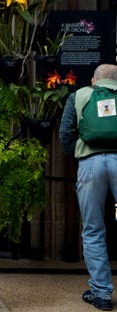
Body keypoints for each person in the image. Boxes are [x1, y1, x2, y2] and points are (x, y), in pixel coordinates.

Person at [60, 64, 117, 311]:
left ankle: (102, 294)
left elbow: (65, 133)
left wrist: (79, 156)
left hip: (90, 163)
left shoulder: (80, 95)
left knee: (93, 228)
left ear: (94, 80)